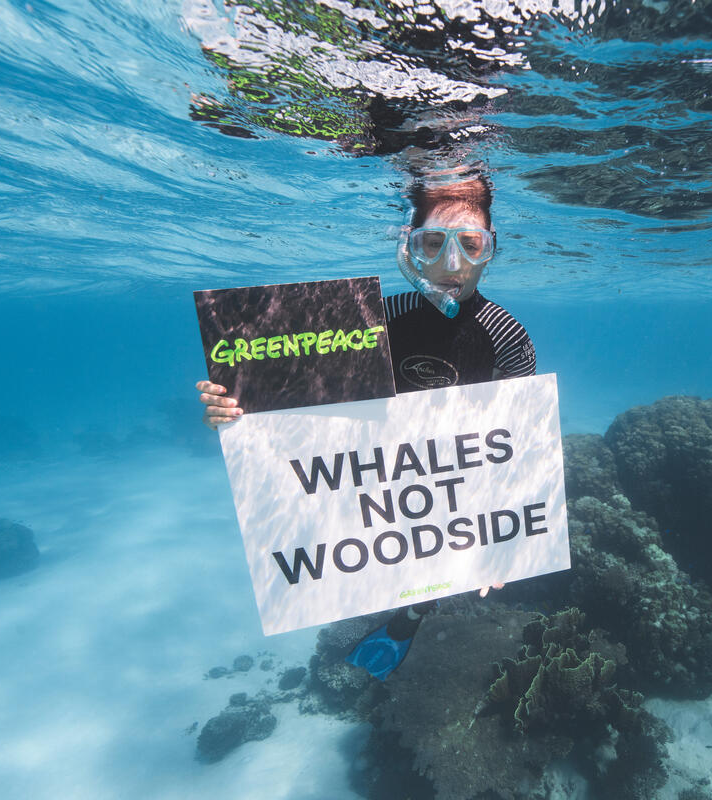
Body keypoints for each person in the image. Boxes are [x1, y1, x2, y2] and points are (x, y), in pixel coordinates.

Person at [197, 174, 533, 678]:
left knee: (440, 567)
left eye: (471, 245)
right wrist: (236, 409)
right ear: (410, 247)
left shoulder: (506, 337)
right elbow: (299, 400)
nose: (452, 264)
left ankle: (414, 612)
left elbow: (517, 448)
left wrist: (505, 542)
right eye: (432, 244)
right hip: (370, 478)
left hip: (448, 489)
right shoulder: (377, 319)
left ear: (490, 251)